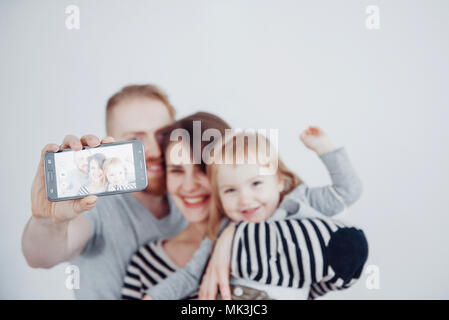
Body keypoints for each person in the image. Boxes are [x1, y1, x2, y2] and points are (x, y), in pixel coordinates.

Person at [140, 127, 367, 300]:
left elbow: (348, 192)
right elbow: (190, 275)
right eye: (230, 190)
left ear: (279, 180)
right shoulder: (222, 228)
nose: (245, 199)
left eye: (256, 183)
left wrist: (325, 148)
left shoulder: (301, 202)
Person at [21, 84, 187, 299]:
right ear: (111, 141)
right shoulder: (93, 202)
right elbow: (40, 257)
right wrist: (48, 221)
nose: (155, 151)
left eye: (163, 134)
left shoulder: (190, 200)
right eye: (136, 140)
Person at [121, 112, 231, 300]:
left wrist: (231, 233)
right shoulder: (145, 263)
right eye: (177, 170)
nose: (189, 186)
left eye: (202, 169)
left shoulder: (260, 239)